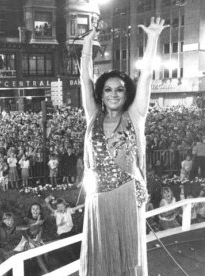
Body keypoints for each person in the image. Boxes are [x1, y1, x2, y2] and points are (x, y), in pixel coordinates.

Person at [79, 17, 167, 276]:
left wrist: (152, 39)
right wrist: (87, 46)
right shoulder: (93, 116)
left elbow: (147, 76)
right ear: (101, 94)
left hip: (128, 193)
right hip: (98, 198)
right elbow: (85, 80)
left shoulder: (135, 116)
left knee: (128, 257)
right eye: (108, 90)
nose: (114, 94)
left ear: (126, 93)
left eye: (119, 89)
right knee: (101, 255)